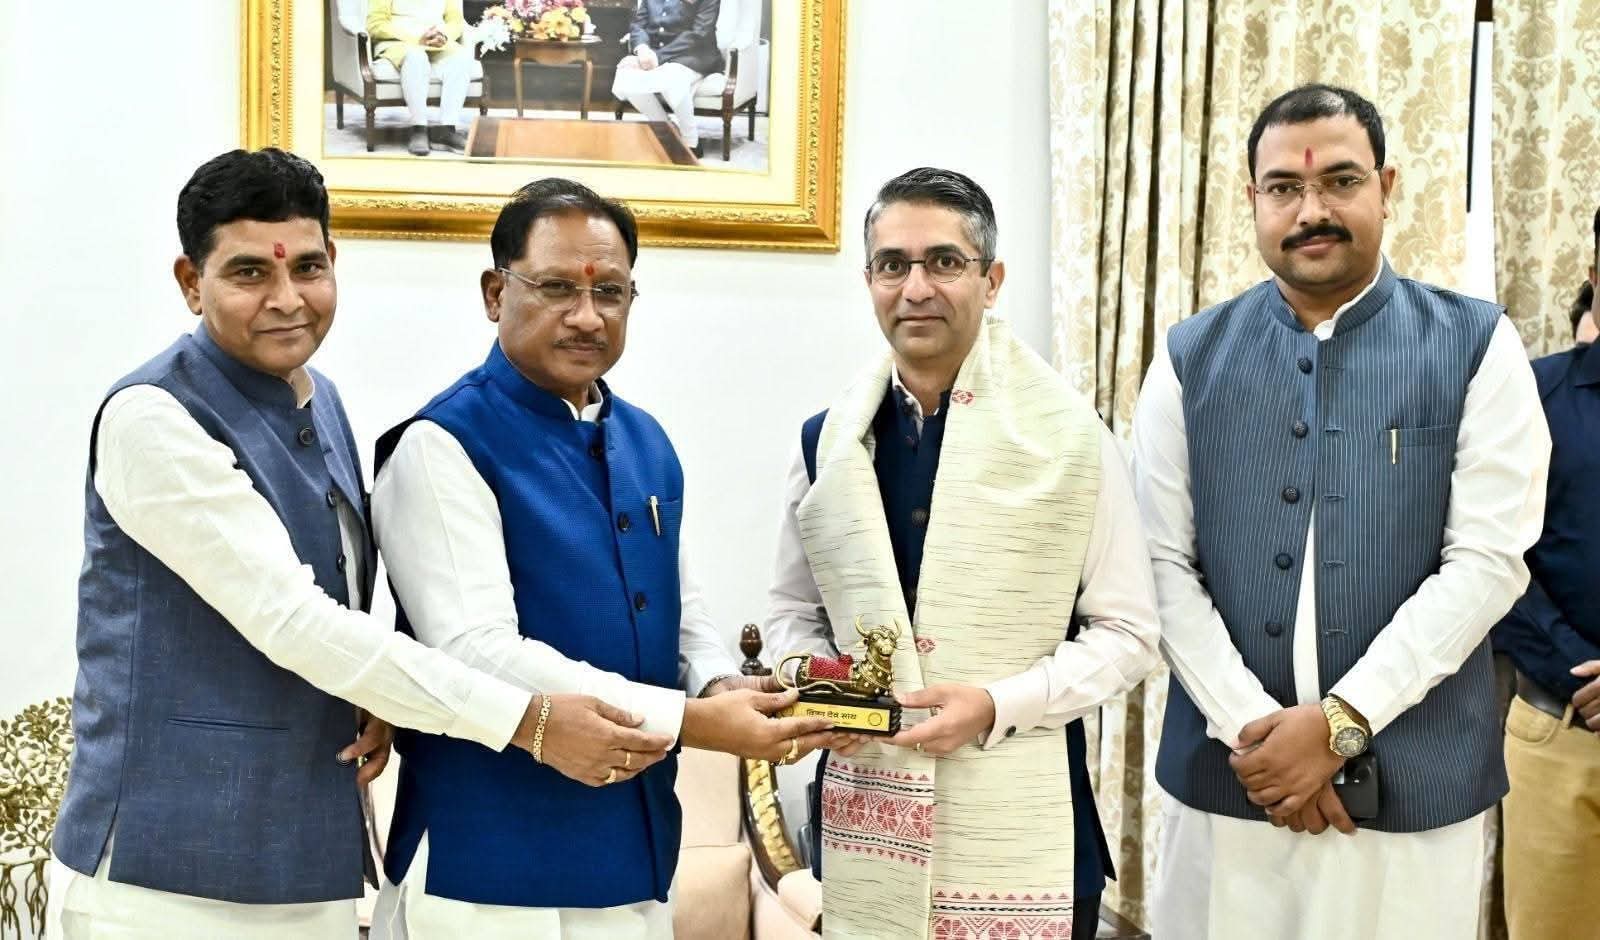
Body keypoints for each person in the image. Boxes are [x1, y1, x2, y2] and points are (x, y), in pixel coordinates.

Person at [46, 148, 551, 939]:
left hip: (304, 853)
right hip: (164, 874)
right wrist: (528, 721)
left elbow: (336, 593)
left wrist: (369, 696)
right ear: (191, 282)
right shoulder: (153, 416)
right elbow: (293, 621)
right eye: (249, 273)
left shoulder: (321, 400)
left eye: (308, 267)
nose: (287, 299)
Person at [1133, 84, 1550, 940]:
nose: (1311, 210)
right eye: (1284, 187)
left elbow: (1487, 562)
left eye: (1341, 181)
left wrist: (1340, 724)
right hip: (1231, 784)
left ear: (1387, 188)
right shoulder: (1189, 356)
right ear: (1252, 200)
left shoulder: (1475, 343)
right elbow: (1157, 561)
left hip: (1415, 792)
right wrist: (1257, 736)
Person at [368, 177, 835, 938]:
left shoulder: (646, 438)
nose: (588, 316)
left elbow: (680, 609)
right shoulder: (441, 443)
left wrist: (720, 681)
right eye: (556, 287)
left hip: (632, 848)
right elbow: (474, 650)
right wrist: (696, 721)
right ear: (495, 293)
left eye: (610, 292)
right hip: (485, 865)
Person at [764, 167, 1162, 939]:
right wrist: (821, 688)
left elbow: (1128, 634)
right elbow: (791, 610)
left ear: (991, 279)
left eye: (944, 262)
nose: (916, 288)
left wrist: (996, 705)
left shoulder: (1073, 442)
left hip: (1027, 828)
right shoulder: (825, 444)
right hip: (866, 817)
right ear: (870, 281)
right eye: (893, 265)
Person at [1491, 202, 1600, 940]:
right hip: (1562, 732)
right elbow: (1493, 559)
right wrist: (1581, 674)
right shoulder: (1534, 396)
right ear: (1594, 272)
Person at [611, 0, 720, 158]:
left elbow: (698, 34)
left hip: (693, 56)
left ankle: (691, 142)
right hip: (655, 54)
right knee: (626, 72)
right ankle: (665, 129)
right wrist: (642, 50)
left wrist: (657, 57)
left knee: (673, 76)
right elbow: (638, 26)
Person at [367, 0, 473, 155]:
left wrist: (443, 35)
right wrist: (416, 37)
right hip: (400, 43)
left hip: (438, 43)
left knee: (462, 58)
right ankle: (419, 128)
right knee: (416, 57)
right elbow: (376, 24)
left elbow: (455, 21)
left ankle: (447, 130)